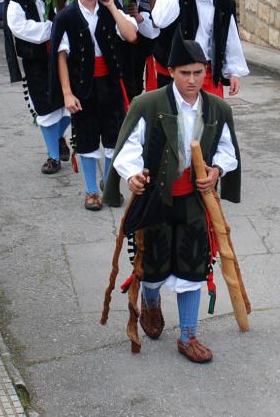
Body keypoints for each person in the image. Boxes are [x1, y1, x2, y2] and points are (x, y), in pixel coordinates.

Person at [103, 35, 241, 363]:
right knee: (152, 267)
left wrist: (217, 169)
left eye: (198, 73)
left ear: (205, 71)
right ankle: (151, 302)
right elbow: (128, 148)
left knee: (194, 266)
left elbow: (227, 150)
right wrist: (133, 174)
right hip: (155, 200)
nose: (192, 80)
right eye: (185, 73)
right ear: (171, 71)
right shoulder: (148, 104)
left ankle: (188, 335)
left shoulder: (217, 108)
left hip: (194, 202)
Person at [51, 0, 139, 210]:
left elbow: (131, 35)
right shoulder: (66, 16)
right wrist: (67, 93)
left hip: (110, 84)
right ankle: (91, 191)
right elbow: (61, 56)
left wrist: (112, 8)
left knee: (114, 138)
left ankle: (109, 185)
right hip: (82, 86)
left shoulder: (109, 9)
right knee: (87, 138)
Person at [4, 0, 72, 174]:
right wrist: (51, 28)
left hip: (60, 56)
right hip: (35, 59)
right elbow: (18, 27)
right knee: (44, 107)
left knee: (67, 104)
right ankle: (53, 156)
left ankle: (59, 137)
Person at [149, 0, 248, 97]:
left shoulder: (225, 3)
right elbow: (160, 21)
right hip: (173, 71)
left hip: (206, 72)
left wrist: (233, 72)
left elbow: (230, 39)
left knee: (209, 117)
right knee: (174, 117)